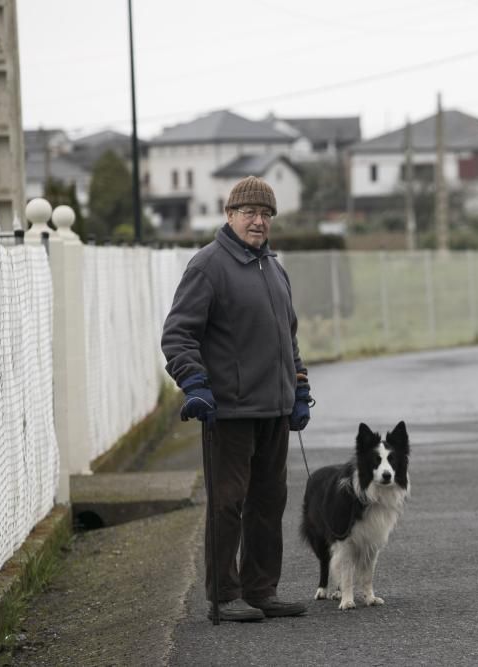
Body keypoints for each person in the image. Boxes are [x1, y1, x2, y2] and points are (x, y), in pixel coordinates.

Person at [161, 175, 313, 622]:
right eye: (250, 213)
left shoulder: (274, 268)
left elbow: (289, 338)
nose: (258, 221)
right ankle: (224, 597)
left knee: (269, 503)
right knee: (228, 503)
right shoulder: (208, 266)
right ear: (229, 215)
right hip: (227, 410)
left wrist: (299, 387)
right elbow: (178, 334)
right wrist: (194, 384)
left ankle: (261, 590)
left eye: (266, 214)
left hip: (274, 409)